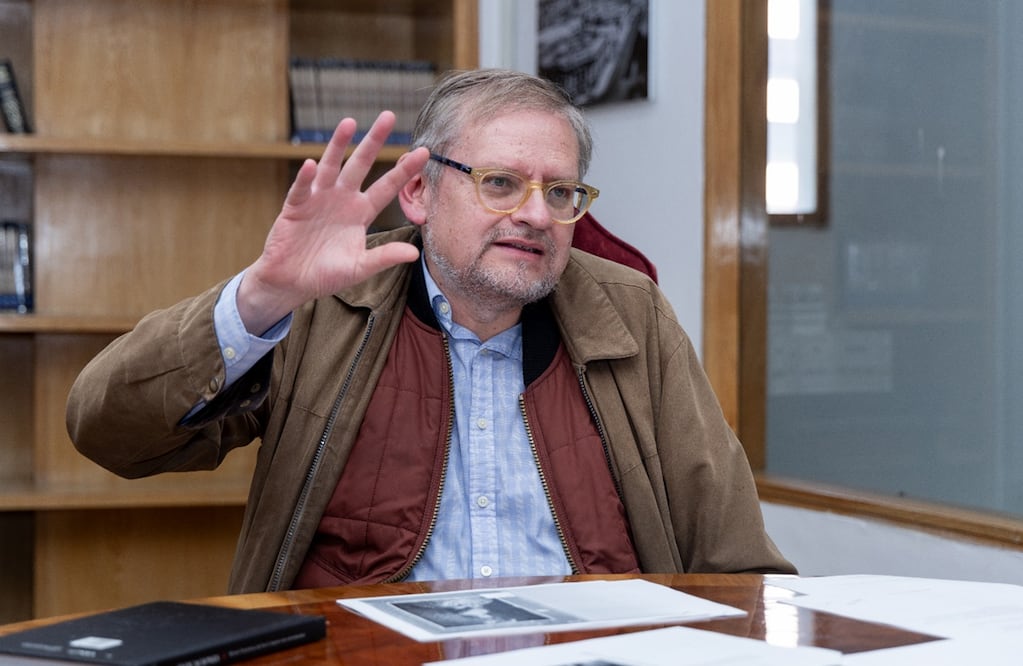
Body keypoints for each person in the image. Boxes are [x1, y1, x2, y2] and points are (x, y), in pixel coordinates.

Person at [66, 68, 795, 593]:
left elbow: (735, 562)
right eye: (500, 183)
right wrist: (261, 297)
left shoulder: (633, 315)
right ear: (419, 191)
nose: (536, 215)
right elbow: (107, 431)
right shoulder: (326, 307)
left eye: (560, 192)